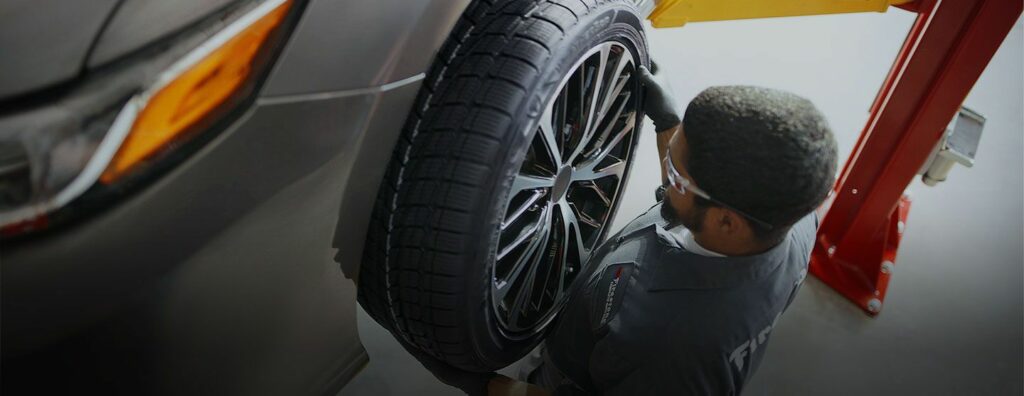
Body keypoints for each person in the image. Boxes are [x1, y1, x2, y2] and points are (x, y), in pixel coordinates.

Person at [399, 64, 839, 395]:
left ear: (727, 221)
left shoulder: (670, 346)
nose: (666, 174)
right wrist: (668, 123)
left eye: (676, 174)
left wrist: (484, 385)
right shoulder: (792, 216)